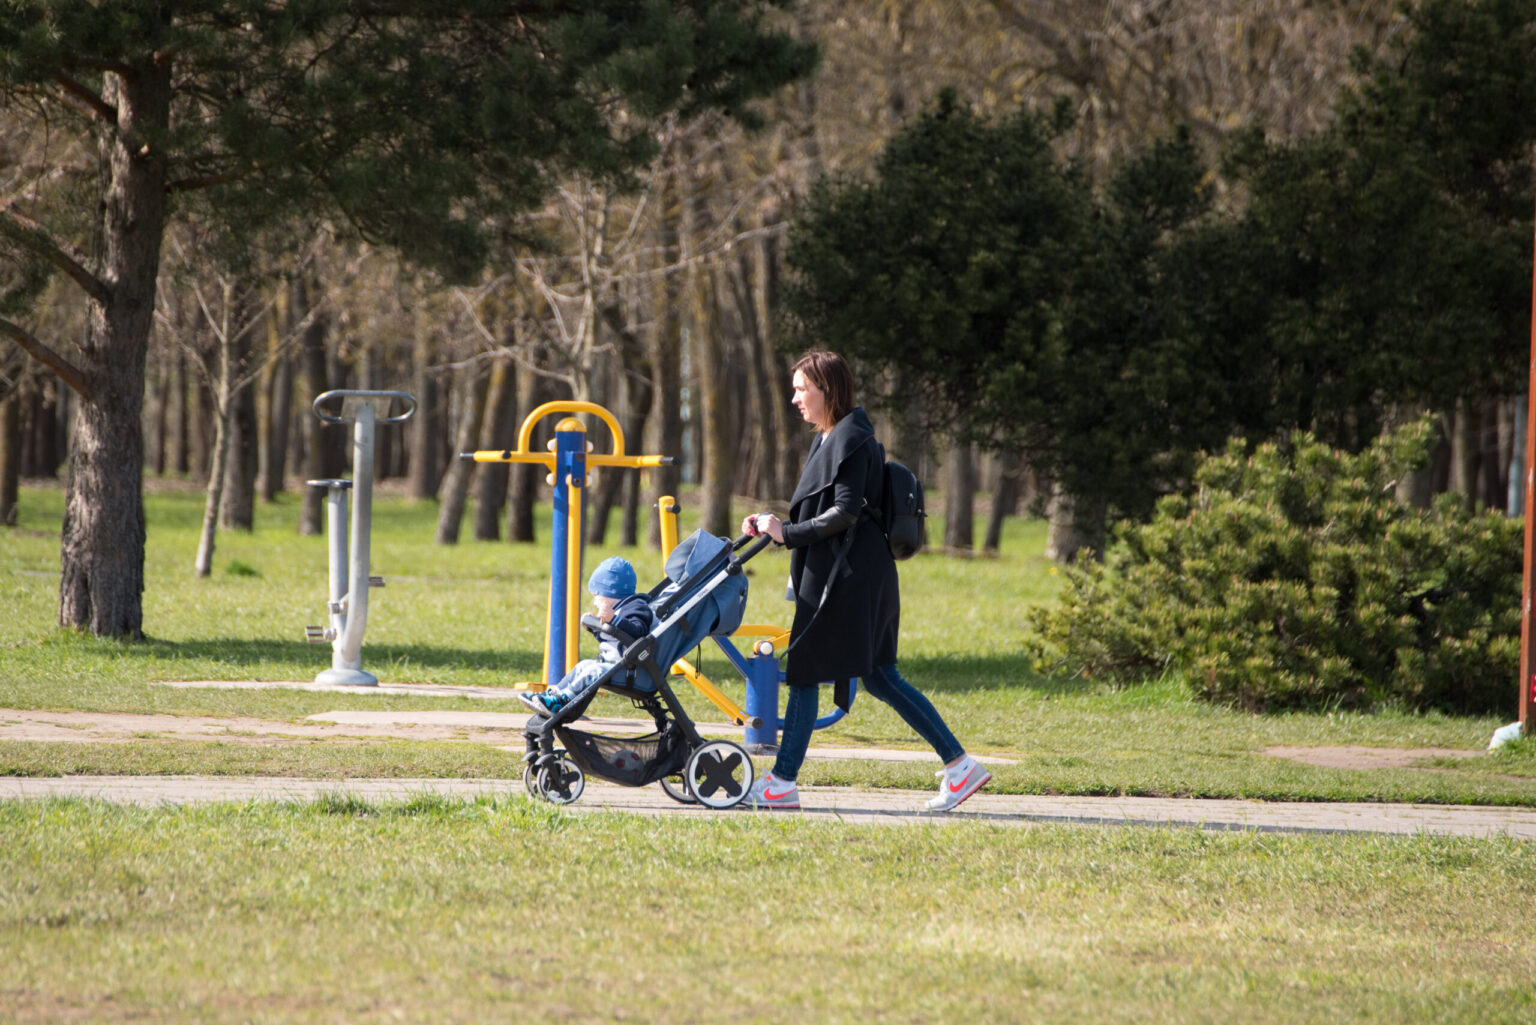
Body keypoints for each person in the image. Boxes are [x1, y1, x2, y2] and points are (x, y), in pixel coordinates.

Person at [740, 350, 990, 812]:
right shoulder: (831, 437)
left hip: (847, 580)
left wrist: (787, 534)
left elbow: (846, 511)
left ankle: (780, 784)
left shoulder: (851, 439)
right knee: (878, 677)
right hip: (854, 576)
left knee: (806, 674)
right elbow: (823, 506)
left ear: (827, 391)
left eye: (802, 389)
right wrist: (771, 523)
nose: (795, 398)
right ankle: (959, 767)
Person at [517, 557, 656, 718]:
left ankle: (562, 701)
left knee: (593, 671)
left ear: (611, 591)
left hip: (632, 671)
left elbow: (638, 632)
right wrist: (595, 627)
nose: (596, 602)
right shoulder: (618, 609)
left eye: (597, 596)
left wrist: (615, 620)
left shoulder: (637, 607)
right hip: (618, 666)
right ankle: (553, 694)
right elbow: (614, 639)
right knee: (583, 666)